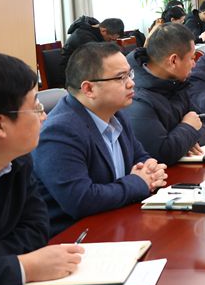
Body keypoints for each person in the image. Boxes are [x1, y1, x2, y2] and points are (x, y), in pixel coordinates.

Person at [0, 53, 85, 285]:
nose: (44, 117)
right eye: (36, 107)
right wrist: (22, 268)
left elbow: (36, 229)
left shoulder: (18, 161)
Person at [34, 43, 167, 235]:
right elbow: (81, 199)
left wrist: (151, 169)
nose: (131, 83)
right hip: (78, 236)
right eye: (121, 78)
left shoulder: (116, 113)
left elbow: (140, 156)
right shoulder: (60, 131)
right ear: (88, 89)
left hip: (117, 221)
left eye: (130, 74)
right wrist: (139, 182)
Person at [123, 22, 205, 165]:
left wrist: (187, 140)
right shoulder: (137, 97)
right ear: (173, 61)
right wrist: (188, 129)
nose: (194, 64)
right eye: (191, 58)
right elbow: (159, 153)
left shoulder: (176, 82)